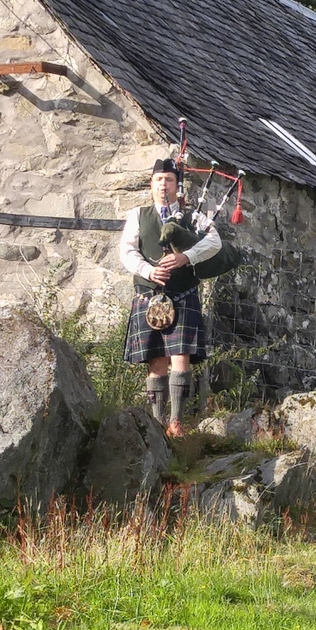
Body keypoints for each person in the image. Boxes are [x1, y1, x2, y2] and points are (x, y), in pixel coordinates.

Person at [119, 157, 221, 437]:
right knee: (156, 360)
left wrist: (185, 257)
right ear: (151, 185)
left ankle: (176, 422)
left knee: (180, 356)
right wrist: (149, 271)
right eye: (159, 180)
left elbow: (215, 242)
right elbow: (127, 251)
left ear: (178, 186)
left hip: (182, 293)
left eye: (169, 180)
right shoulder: (138, 216)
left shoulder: (193, 217)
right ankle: (156, 422)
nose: (164, 185)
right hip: (148, 295)